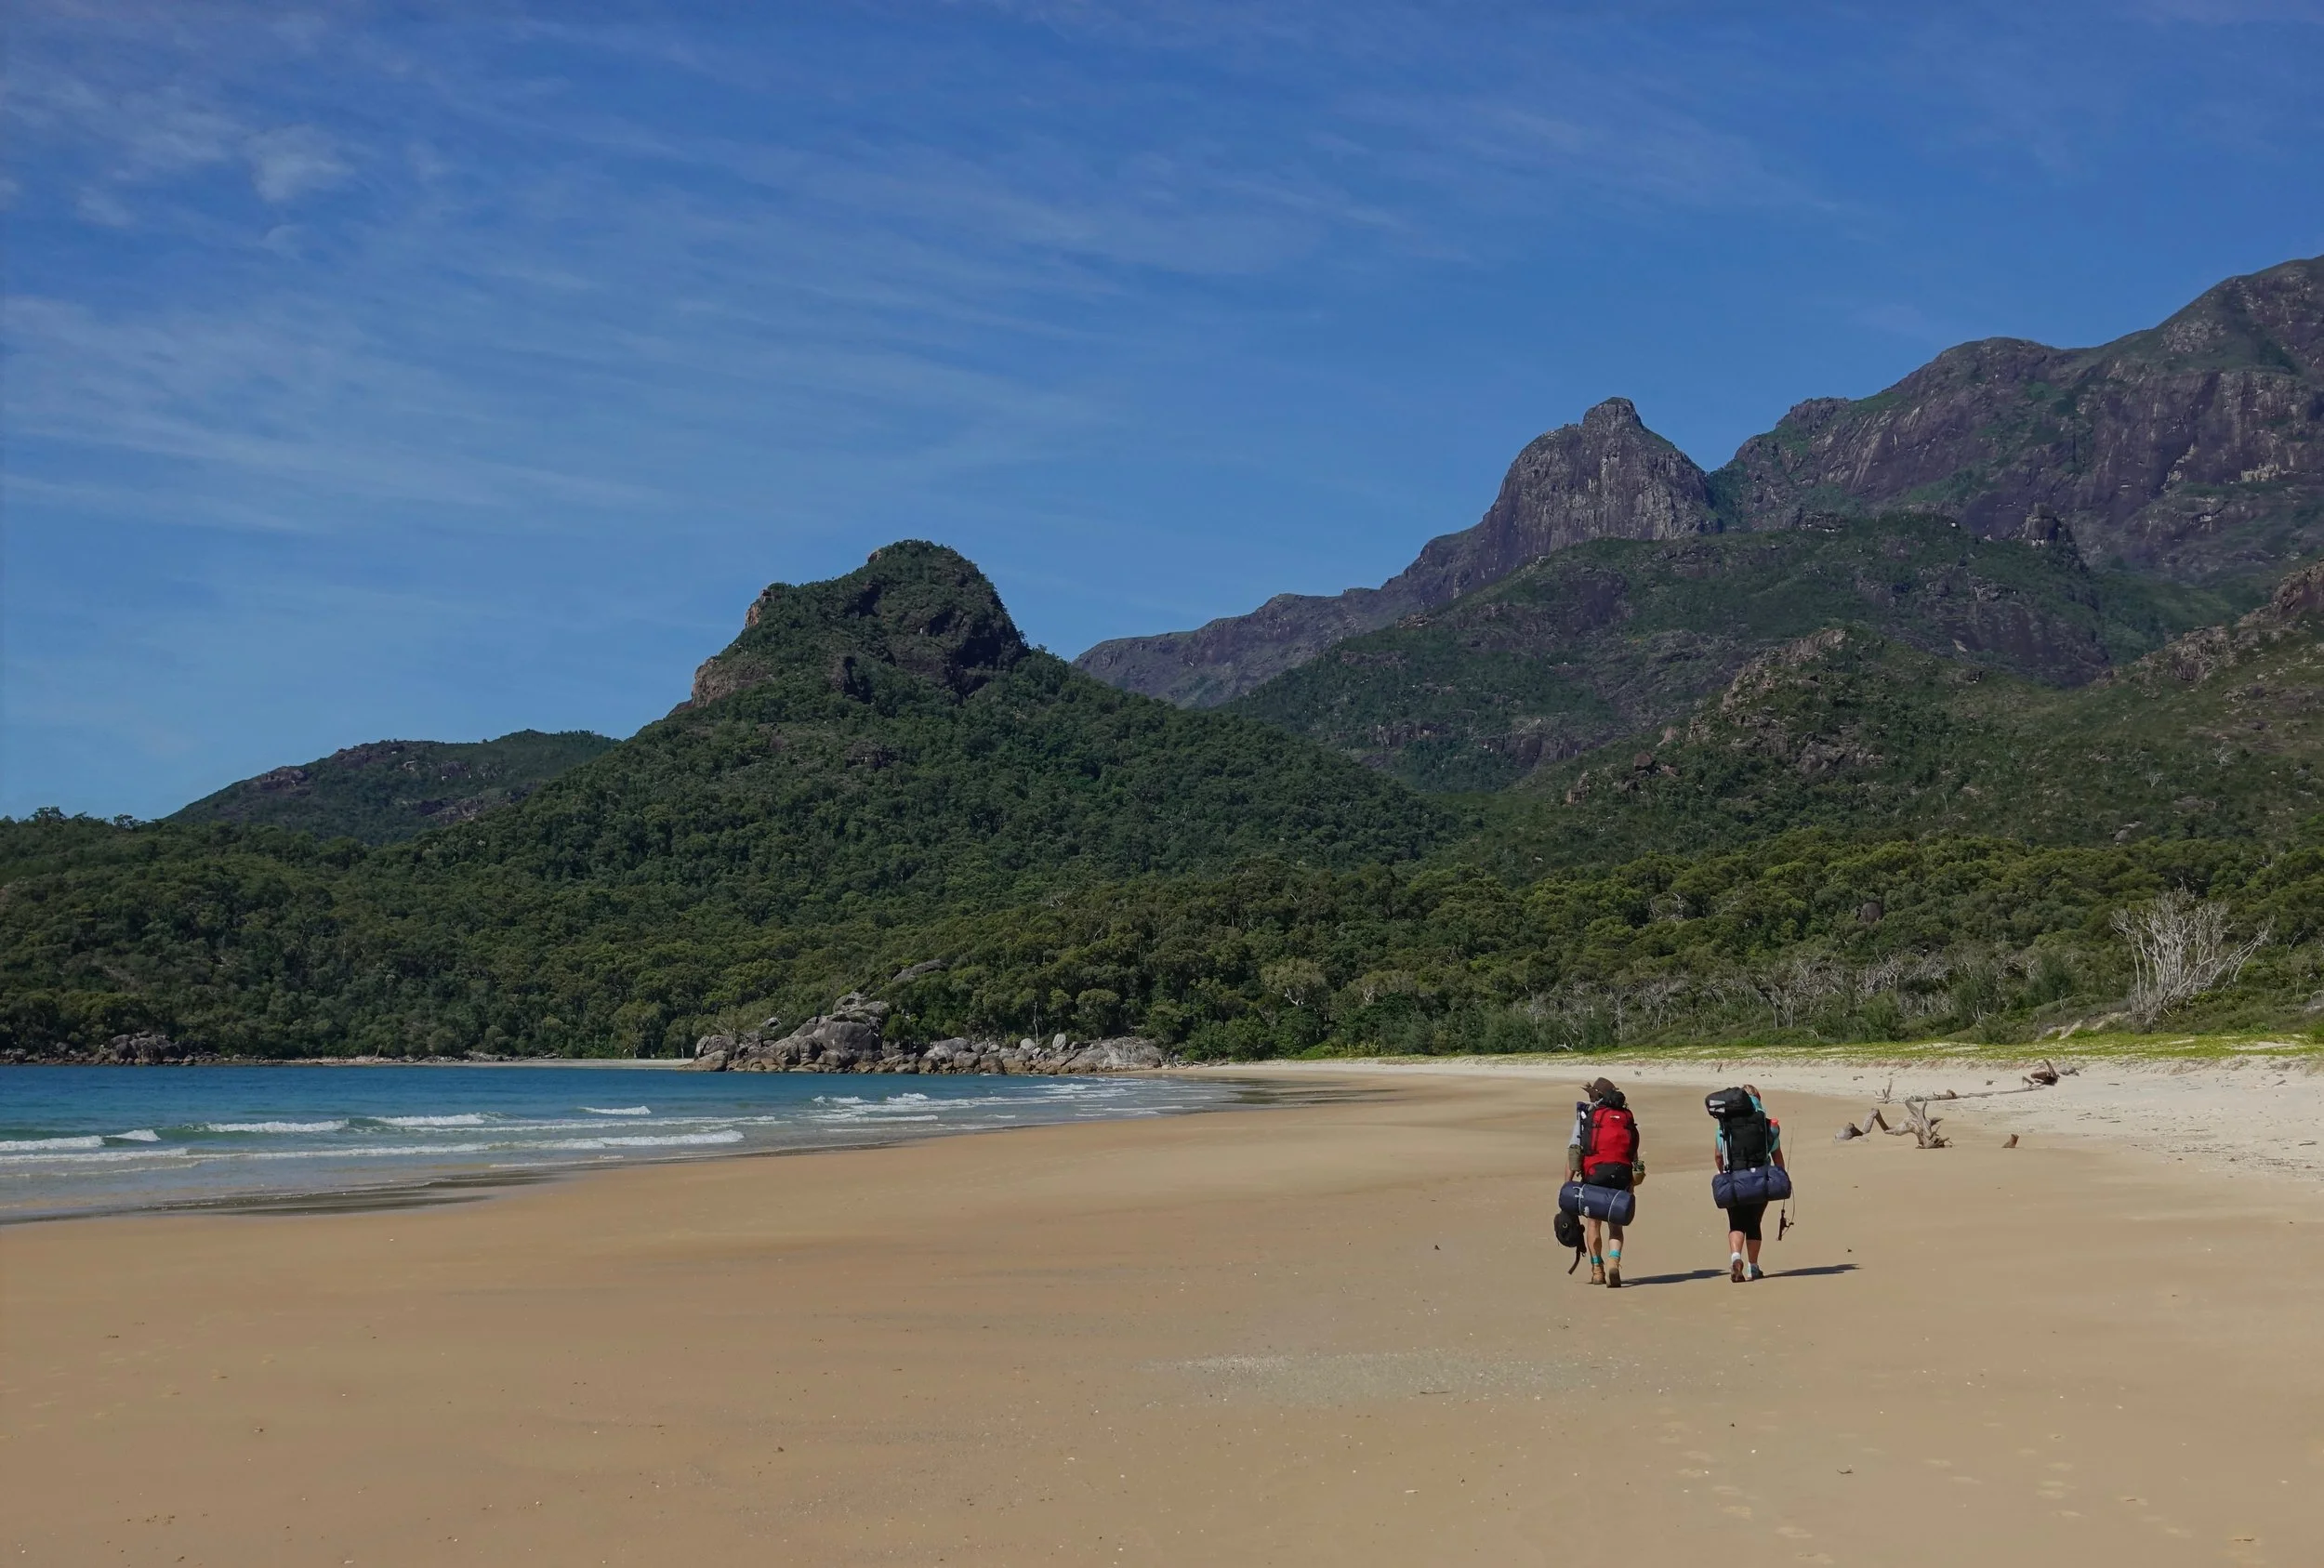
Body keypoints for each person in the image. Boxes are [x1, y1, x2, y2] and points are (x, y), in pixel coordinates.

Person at [1567, 1077, 1643, 1287]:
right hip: (1621, 1173)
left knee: (1593, 1223)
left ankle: (1597, 1269)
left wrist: (1568, 1184)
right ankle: (1614, 1261)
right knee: (1615, 1226)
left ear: (1597, 1097)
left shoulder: (1589, 1117)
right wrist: (1632, 1179)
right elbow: (1633, 1150)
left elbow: (1575, 1153)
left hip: (1595, 1173)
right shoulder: (1626, 1117)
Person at [1713, 1083, 1786, 1283]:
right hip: (1761, 1179)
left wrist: (1723, 1174)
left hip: (1734, 1177)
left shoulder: (1725, 1123)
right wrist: (1781, 1176)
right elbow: (1777, 1156)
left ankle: (1736, 1258)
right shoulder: (1765, 1123)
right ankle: (1753, 1267)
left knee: (1736, 1222)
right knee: (1754, 1223)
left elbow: (1719, 1155)